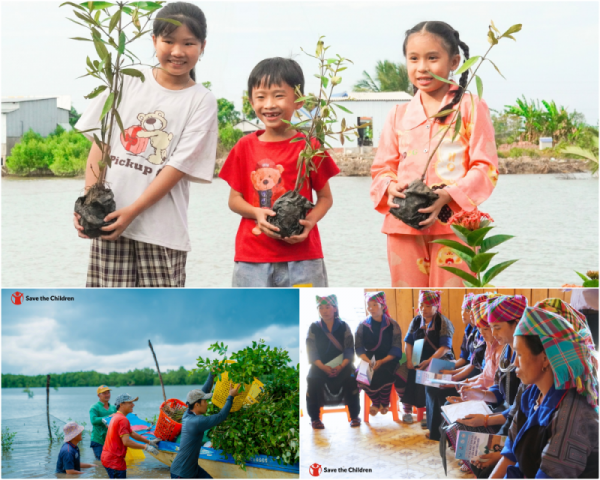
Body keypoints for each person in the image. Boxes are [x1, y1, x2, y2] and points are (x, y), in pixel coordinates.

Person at [73, 2, 218, 287]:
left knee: (161, 318)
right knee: (108, 313)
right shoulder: (127, 78)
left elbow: (177, 166)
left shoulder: (201, 100)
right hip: (109, 220)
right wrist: (87, 204)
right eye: (168, 41)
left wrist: (134, 210)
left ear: (202, 46)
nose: (177, 51)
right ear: (154, 41)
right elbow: (101, 143)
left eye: (188, 43)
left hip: (161, 232)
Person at [370, 21, 498, 287]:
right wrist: (391, 186)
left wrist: (447, 195)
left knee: (454, 299)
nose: (422, 68)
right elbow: (381, 169)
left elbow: (485, 167)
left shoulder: (471, 107)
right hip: (403, 226)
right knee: (407, 300)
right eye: (413, 59)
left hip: (455, 225)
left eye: (432, 58)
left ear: (454, 62)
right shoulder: (398, 115)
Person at [219, 57, 340, 287]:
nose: (269, 104)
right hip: (252, 257)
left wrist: (310, 222)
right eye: (261, 96)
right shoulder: (244, 147)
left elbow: (325, 198)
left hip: (302, 255)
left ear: (299, 101)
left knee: (300, 311)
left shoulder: (309, 145)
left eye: (279, 95)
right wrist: (257, 213)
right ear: (250, 101)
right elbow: (235, 200)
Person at [491, 299, 599, 478]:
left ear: (545, 358)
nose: (514, 362)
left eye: (519, 353)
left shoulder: (573, 415)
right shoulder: (531, 394)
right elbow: (511, 453)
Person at [426, 293, 500, 441]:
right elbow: (462, 359)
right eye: (466, 310)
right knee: (429, 378)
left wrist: (453, 378)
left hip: (474, 375)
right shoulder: (471, 331)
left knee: (438, 388)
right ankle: (433, 426)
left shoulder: (491, 339)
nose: (467, 314)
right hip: (474, 376)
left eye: (469, 310)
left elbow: (474, 368)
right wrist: (447, 371)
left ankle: (439, 432)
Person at [170, 370, 241, 479]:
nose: (207, 404)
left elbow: (203, 391)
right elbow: (221, 416)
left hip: (191, 468)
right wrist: (231, 396)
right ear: (197, 405)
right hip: (182, 473)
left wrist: (212, 374)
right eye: (205, 401)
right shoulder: (197, 422)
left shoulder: (187, 413)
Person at [306, 295, 361, 428]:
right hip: (320, 366)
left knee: (351, 378)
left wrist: (341, 366)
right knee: (312, 379)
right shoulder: (314, 327)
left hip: (342, 365)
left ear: (335, 309)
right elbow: (311, 350)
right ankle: (315, 419)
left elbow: (349, 349)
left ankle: (354, 416)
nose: (324, 310)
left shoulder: (344, 326)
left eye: (327, 307)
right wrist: (323, 367)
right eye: (321, 308)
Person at [400, 290, 454, 425]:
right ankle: (407, 409)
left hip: (440, 358)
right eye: (422, 304)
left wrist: (429, 361)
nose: (423, 309)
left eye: (428, 306)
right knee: (400, 372)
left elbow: (445, 348)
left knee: (430, 373)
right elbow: (408, 342)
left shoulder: (443, 322)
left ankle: (430, 416)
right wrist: (410, 360)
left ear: (437, 307)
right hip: (419, 357)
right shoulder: (416, 320)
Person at [355, 291, 403, 416]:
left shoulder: (393, 325)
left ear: (382, 306)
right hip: (368, 359)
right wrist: (368, 361)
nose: (371, 308)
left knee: (383, 372)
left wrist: (382, 361)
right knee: (359, 378)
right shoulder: (362, 325)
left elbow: (396, 347)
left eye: (374, 305)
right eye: (369, 305)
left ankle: (385, 402)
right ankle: (376, 402)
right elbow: (359, 348)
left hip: (388, 359)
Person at [101, 394, 160, 478]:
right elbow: (126, 441)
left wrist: (149, 442)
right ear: (121, 404)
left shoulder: (116, 416)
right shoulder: (122, 419)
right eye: (130, 403)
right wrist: (145, 447)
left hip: (107, 457)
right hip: (114, 461)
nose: (133, 405)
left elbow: (132, 433)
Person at [89, 385, 117, 460]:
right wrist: (109, 417)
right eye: (104, 393)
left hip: (110, 440)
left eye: (108, 393)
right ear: (99, 395)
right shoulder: (94, 407)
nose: (107, 395)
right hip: (98, 440)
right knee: (101, 461)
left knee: (112, 462)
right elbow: (94, 421)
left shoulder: (113, 408)